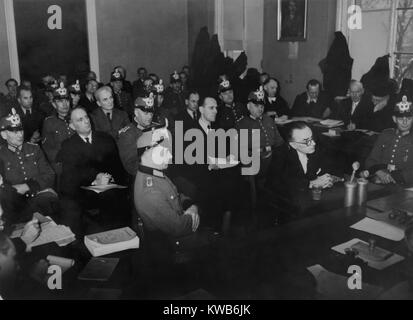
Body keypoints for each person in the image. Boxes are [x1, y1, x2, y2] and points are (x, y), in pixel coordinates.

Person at [56, 107, 127, 233]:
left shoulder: (105, 139)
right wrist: (95, 179)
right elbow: (72, 176)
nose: (86, 121)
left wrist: (109, 177)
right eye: (80, 120)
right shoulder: (68, 146)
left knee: (116, 198)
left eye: (86, 117)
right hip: (85, 190)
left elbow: (117, 167)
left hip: (111, 185)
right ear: (72, 126)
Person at [134, 123, 199, 238]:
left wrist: (191, 205)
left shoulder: (154, 172)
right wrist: (195, 211)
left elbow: (174, 196)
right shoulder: (150, 191)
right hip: (171, 244)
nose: (170, 157)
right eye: (164, 152)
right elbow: (178, 228)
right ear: (147, 152)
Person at [0, 110, 57, 221]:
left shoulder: (34, 149)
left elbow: (50, 174)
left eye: (20, 129)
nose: (20, 134)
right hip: (16, 204)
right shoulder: (1, 155)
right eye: (14, 132)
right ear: (3, 135)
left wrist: (27, 186)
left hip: (40, 198)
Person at [268, 121, 334, 199]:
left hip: (310, 196)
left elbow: (328, 168)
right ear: (293, 145)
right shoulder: (280, 155)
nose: (313, 143)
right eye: (306, 141)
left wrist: (327, 179)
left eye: (312, 138)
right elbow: (277, 184)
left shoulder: (316, 148)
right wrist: (310, 183)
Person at [237, 87, 284, 183]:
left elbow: (279, 142)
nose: (260, 108)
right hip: (254, 163)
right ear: (248, 106)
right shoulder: (243, 124)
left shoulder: (269, 120)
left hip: (272, 161)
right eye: (256, 105)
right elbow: (242, 152)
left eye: (262, 105)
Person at [365, 96, 413, 185]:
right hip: (379, 181)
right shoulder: (386, 134)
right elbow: (370, 160)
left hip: (403, 186)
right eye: (401, 119)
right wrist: (379, 172)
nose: (405, 122)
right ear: (394, 119)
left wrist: (392, 177)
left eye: (409, 119)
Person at [117, 94, 157, 177]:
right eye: (146, 113)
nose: (149, 116)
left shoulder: (155, 127)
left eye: (151, 113)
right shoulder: (127, 135)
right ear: (136, 112)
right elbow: (131, 167)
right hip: (142, 177)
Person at [41, 83, 75, 171]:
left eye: (66, 100)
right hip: (60, 165)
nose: (65, 104)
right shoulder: (49, 122)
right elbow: (47, 149)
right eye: (60, 101)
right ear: (54, 104)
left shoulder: (77, 117)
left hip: (79, 162)